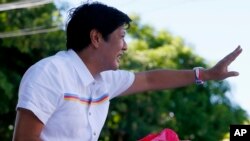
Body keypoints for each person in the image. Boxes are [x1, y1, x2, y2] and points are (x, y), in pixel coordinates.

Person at [12, 2, 243, 141]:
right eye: (122, 37)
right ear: (96, 38)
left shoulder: (104, 81)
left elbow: (151, 79)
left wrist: (205, 74)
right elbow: (23, 139)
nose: (125, 46)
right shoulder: (49, 73)